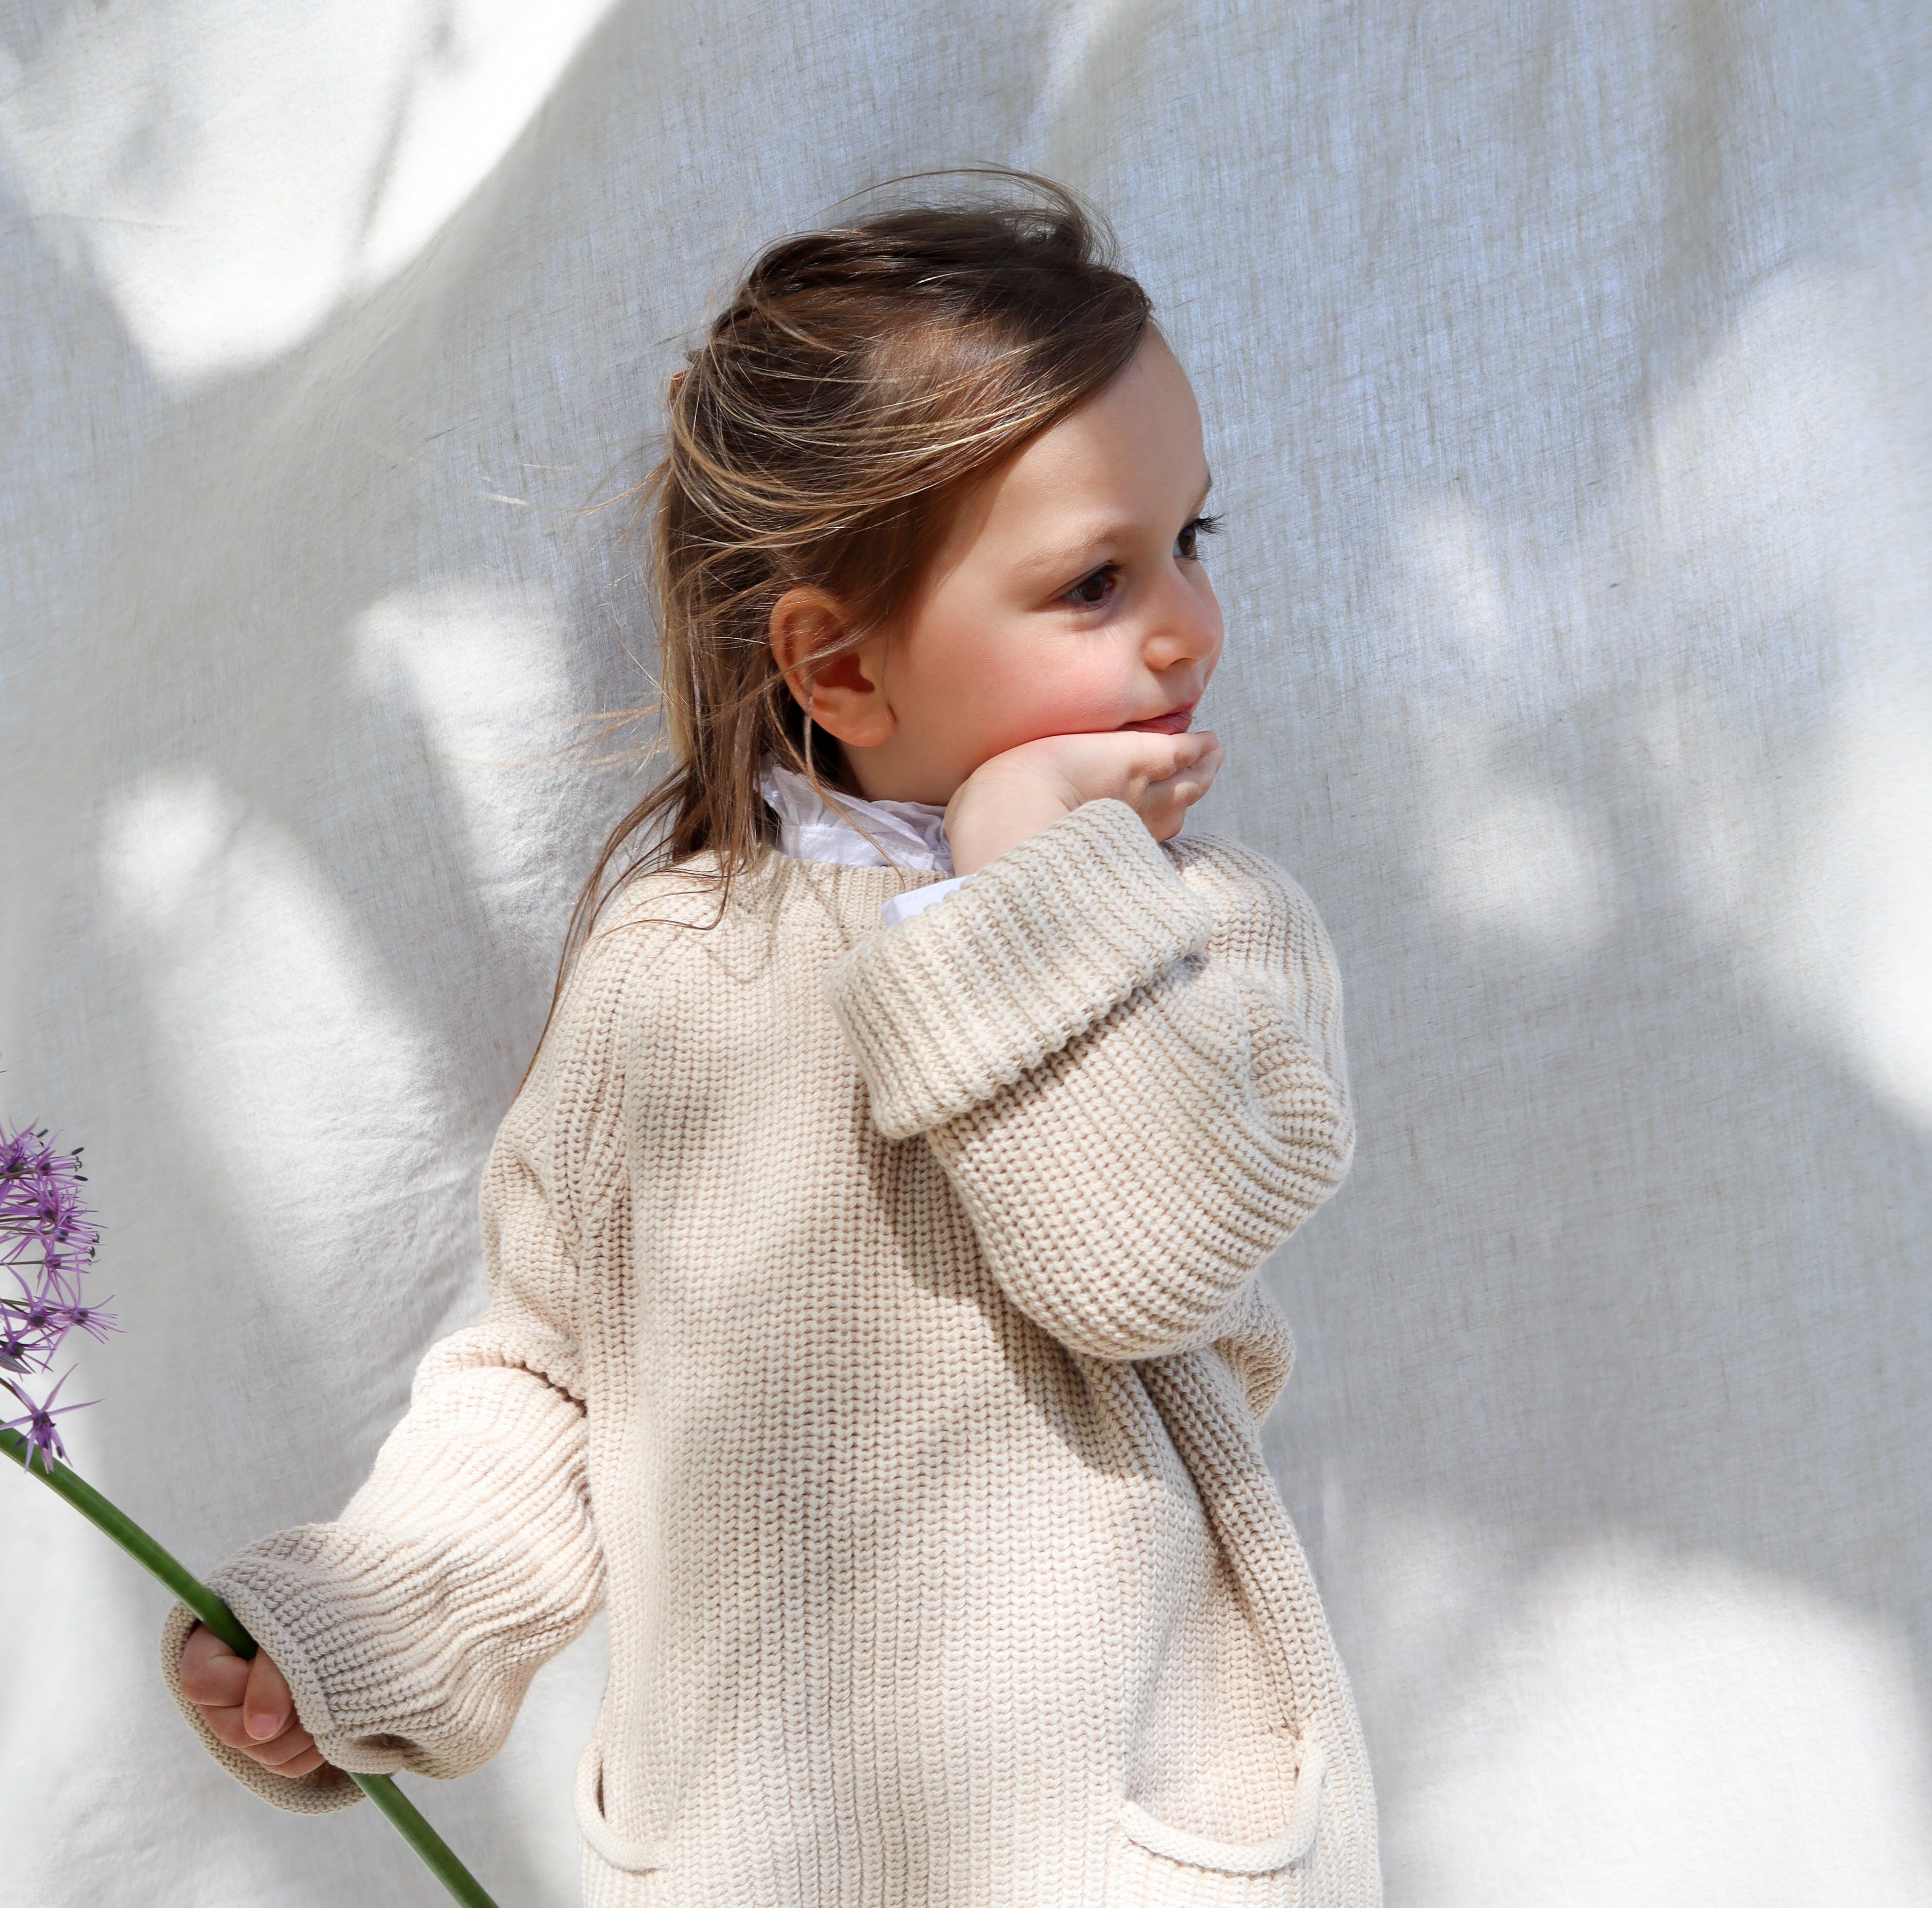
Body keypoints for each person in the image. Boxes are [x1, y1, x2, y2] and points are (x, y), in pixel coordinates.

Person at [164, 176, 1381, 1907]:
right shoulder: (678, 973)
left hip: (1115, 1850)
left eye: (1193, 538)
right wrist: (372, 1628)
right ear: (841, 664)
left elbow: (1149, 1266)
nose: (1182, 620)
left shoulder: (1207, 929)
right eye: (1095, 578)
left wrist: (1030, 875)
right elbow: (555, 1372)